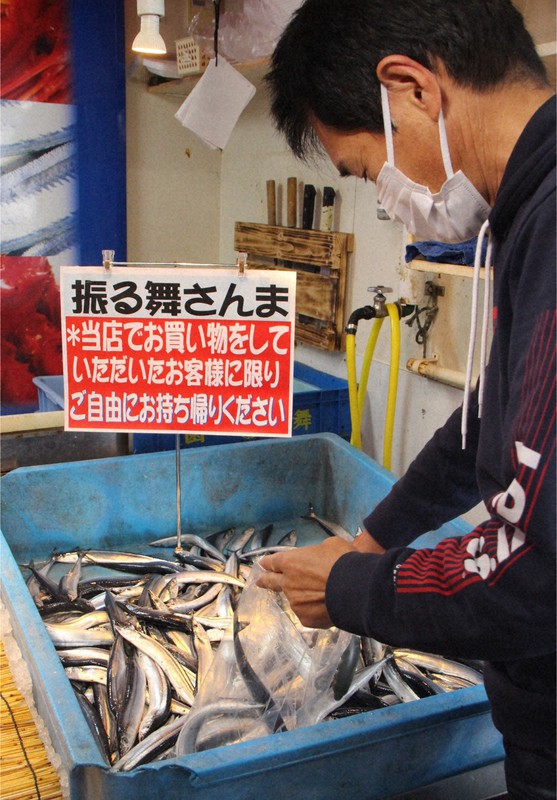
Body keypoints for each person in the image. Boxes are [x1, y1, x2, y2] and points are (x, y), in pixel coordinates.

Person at [255, 2, 556, 797]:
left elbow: (543, 575)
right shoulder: (525, 211)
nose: (389, 200)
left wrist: (349, 590)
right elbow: (488, 421)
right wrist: (368, 541)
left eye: (365, 171)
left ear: (412, 89)